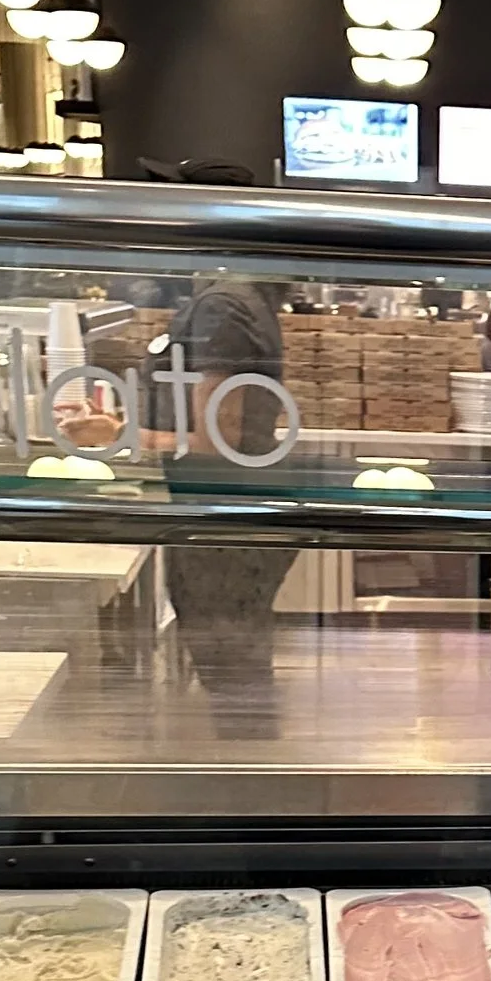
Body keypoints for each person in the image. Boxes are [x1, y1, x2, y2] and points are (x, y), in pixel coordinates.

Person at [159, 270, 298, 729]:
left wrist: (120, 436)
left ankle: (253, 791)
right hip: (237, 511)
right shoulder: (244, 299)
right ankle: (255, 786)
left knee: (233, 675)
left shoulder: (223, 306)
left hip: (223, 517)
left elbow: (219, 438)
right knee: (239, 675)